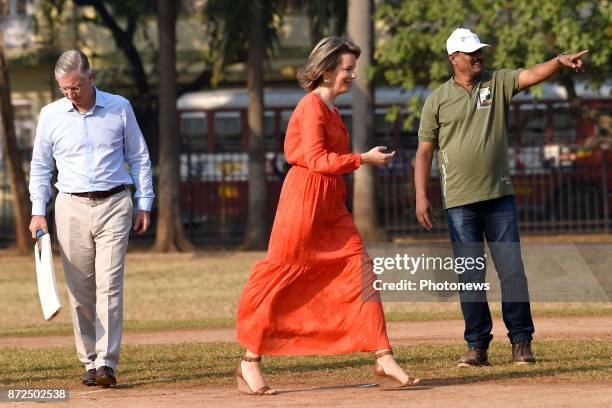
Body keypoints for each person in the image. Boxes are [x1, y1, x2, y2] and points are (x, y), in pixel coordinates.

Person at [235, 37, 420, 395]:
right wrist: (362, 159)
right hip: (304, 201)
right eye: (347, 69)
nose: (352, 75)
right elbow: (317, 161)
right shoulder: (311, 107)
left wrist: (358, 160)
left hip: (332, 205)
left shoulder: (332, 109)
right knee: (283, 279)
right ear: (326, 70)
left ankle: (383, 357)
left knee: (360, 270)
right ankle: (249, 362)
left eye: (353, 69)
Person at [415, 28, 588, 367]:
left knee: (512, 271)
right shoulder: (436, 100)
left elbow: (531, 75)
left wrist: (557, 62)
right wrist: (421, 196)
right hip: (459, 202)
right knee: (470, 274)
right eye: (470, 52)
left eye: (480, 50)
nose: (478, 55)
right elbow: (423, 153)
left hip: (499, 197)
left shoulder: (497, 83)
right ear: (453, 59)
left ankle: (521, 342)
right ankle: (477, 346)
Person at [28, 49, 154, 387]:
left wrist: (144, 203)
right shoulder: (50, 115)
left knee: (109, 285)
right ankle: (88, 360)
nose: (71, 94)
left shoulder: (119, 108)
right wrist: (38, 211)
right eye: (65, 89)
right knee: (80, 290)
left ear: (91, 77)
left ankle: (106, 363)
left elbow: (139, 158)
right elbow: (40, 167)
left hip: (115, 203)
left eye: (76, 87)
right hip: (69, 206)